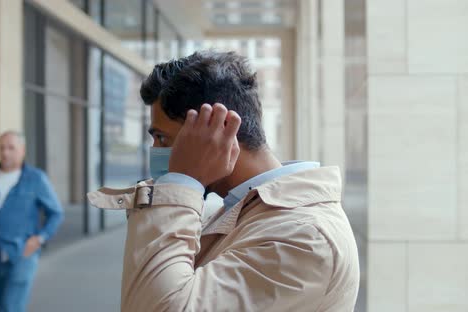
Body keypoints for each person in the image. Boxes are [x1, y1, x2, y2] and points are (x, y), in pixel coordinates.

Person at [88, 51, 360, 311]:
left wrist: (181, 183)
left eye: (161, 138)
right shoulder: (247, 207)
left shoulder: (304, 237)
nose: (155, 150)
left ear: (220, 129)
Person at [0, 131, 64, 312]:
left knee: (11, 307)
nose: (5, 152)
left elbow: (56, 213)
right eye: (2, 148)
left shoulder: (35, 179)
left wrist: (40, 238)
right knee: (1, 305)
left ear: (22, 151)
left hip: (22, 254)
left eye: (11, 148)